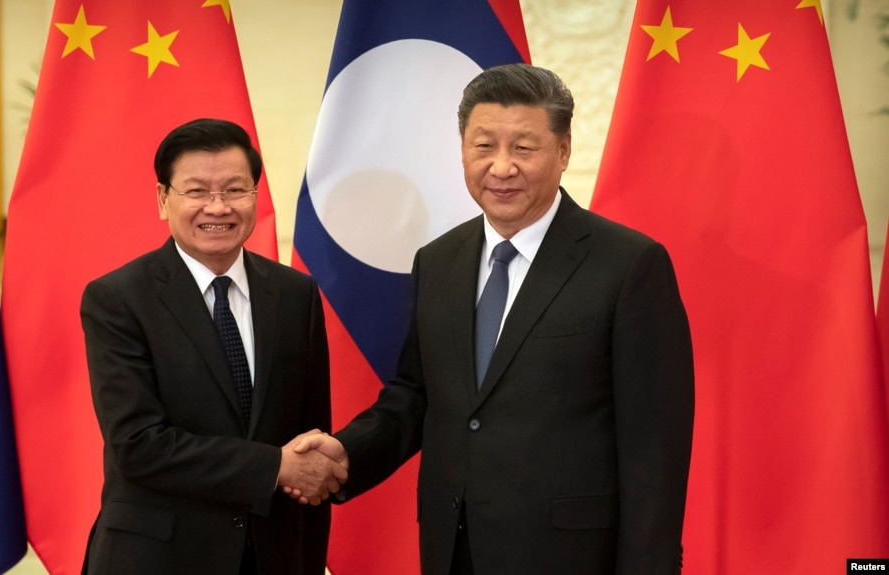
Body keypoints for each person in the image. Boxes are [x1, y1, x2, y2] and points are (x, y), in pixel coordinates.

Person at [287, 64, 695, 574]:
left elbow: (653, 448)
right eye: (484, 146)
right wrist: (346, 453)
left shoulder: (629, 264)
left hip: (572, 558)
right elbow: (417, 395)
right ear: (462, 148)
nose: (501, 167)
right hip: (452, 550)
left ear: (563, 151)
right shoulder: (438, 261)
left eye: (523, 148)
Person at [79, 118, 344, 575]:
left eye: (235, 190)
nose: (218, 207)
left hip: (271, 555)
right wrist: (272, 467)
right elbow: (137, 445)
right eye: (197, 191)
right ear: (164, 199)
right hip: (157, 558)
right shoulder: (118, 299)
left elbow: (309, 442)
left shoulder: (295, 294)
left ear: (255, 198)